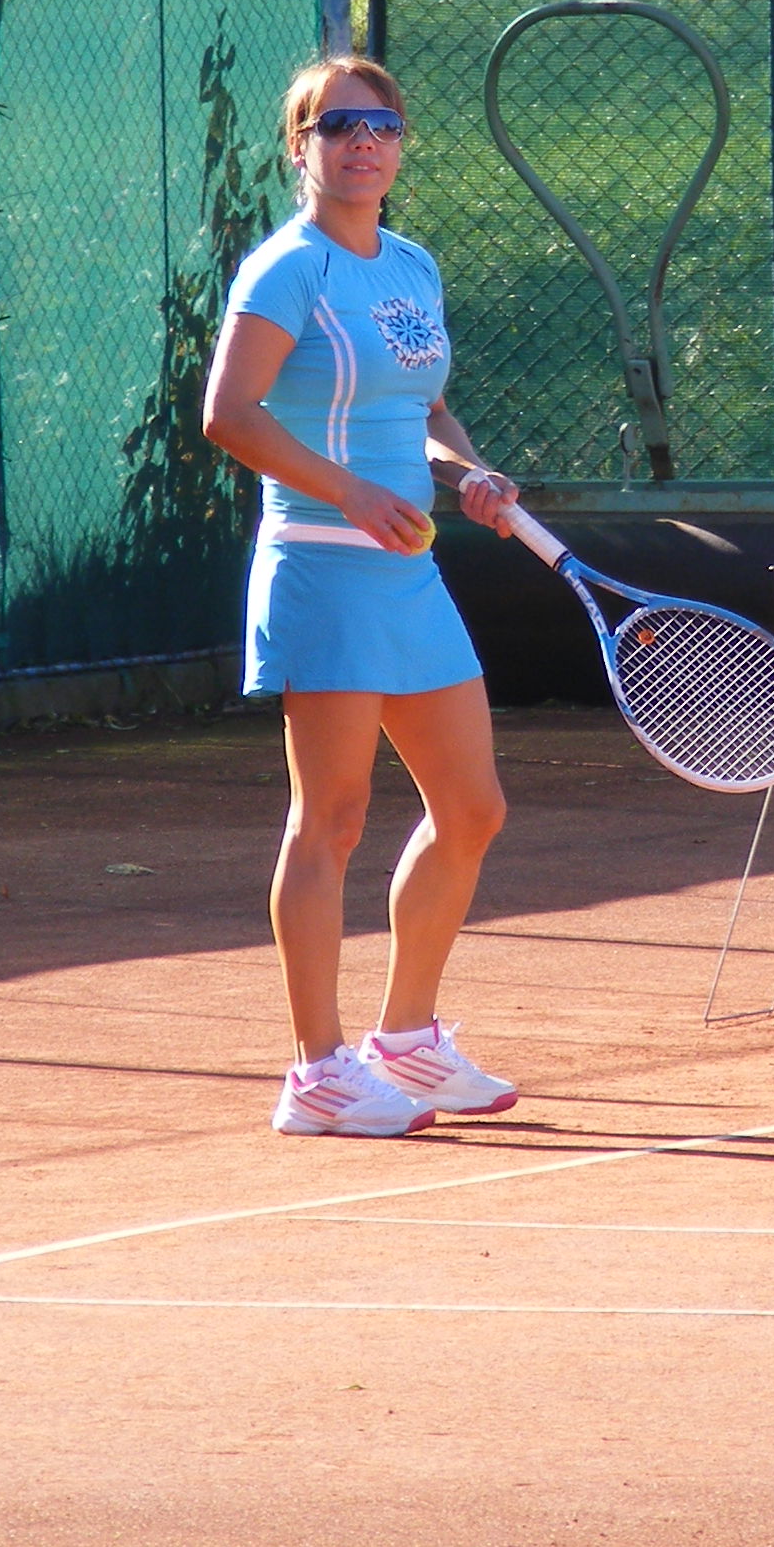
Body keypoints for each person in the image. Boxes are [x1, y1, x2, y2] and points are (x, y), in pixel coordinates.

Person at [201, 55, 526, 1138]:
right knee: (331, 821)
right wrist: (353, 494)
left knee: (473, 809)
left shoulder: (411, 266)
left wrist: (463, 471)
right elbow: (230, 414)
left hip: (408, 569)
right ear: (302, 148)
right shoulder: (285, 272)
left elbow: (423, 410)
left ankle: (408, 1042)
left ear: (400, 145)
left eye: (380, 125)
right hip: (323, 568)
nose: (362, 143)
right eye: (336, 125)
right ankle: (318, 1073)